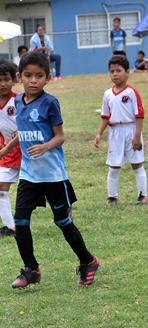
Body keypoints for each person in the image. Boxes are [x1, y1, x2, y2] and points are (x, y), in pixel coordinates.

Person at [0, 52, 101, 288]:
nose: (33, 80)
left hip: (54, 175)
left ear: (47, 78)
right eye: (28, 75)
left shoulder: (50, 103)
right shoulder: (17, 103)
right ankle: (31, 270)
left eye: (39, 76)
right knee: (20, 222)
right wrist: (5, 151)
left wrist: (46, 146)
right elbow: (21, 134)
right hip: (29, 175)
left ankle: (88, 261)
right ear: (20, 77)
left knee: (63, 222)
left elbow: (60, 137)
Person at [94, 56, 148, 206]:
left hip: (131, 130)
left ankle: (143, 195)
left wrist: (137, 136)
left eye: (119, 71)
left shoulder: (132, 92)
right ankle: (112, 197)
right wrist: (99, 133)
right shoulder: (107, 94)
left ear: (127, 72)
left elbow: (140, 115)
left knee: (136, 164)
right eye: (112, 71)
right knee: (114, 166)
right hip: (115, 132)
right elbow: (105, 116)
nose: (115, 74)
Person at [0, 61, 20, 238]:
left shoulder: (19, 101)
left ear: (14, 80)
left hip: (29, 151)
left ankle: (64, 212)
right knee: (0, 188)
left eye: (6, 79)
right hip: (8, 153)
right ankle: (11, 227)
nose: (2, 84)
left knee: (46, 188)